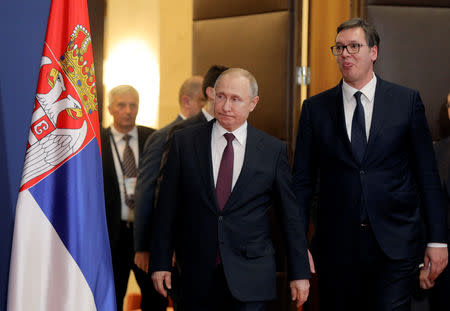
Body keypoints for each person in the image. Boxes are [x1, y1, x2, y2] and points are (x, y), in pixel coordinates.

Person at [292, 18, 448, 311]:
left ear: (373, 52)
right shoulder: (315, 109)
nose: (345, 54)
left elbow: (427, 175)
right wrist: (298, 244)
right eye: (339, 48)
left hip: (396, 244)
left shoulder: (406, 101)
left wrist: (438, 240)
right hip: (336, 246)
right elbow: (301, 182)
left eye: (354, 46)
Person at [150, 68, 311, 311]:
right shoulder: (184, 142)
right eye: (221, 96)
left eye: (235, 99)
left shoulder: (272, 150)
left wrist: (299, 273)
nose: (226, 106)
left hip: (251, 277)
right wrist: (160, 262)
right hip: (196, 275)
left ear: (253, 103)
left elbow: (289, 216)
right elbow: (166, 208)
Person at [100, 85, 165, 311]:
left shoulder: (154, 138)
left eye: (133, 105)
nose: (128, 111)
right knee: (111, 298)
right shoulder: (96, 142)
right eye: (121, 105)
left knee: (155, 298)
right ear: (110, 109)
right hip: (112, 235)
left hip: (146, 235)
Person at [133, 76, 205, 272]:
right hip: (163, 248)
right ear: (186, 101)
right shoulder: (164, 136)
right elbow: (146, 191)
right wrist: (143, 246)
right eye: (203, 100)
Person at [418, 96, 450, 310]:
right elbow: (423, 210)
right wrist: (423, 264)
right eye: (449, 105)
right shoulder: (437, 152)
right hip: (444, 273)